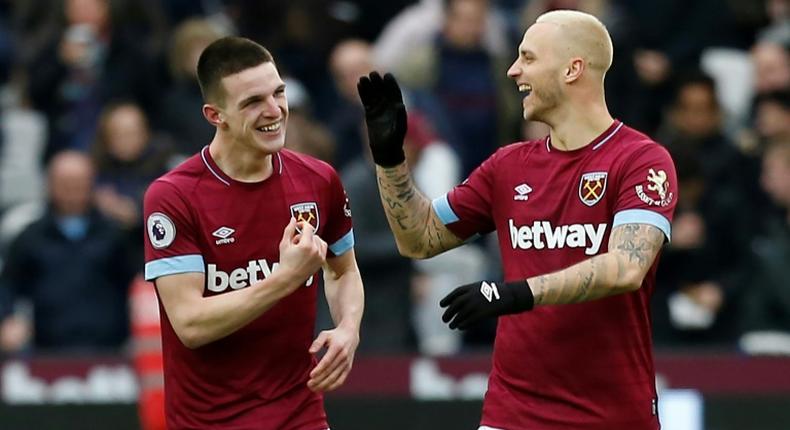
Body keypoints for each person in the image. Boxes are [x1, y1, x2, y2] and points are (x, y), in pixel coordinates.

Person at [358, 10, 678, 430]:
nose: (513, 70)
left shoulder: (641, 160)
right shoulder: (507, 166)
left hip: (612, 415)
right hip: (513, 414)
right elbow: (419, 239)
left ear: (572, 69)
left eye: (527, 57)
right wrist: (390, 160)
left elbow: (625, 267)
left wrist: (511, 295)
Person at [142, 37, 363, 430]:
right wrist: (286, 278)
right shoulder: (174, 196)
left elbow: (342, 270)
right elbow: (191, 324)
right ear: (215, 114)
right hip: (209, 422)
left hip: (301, 414)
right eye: (252, 102)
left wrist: (348, 327)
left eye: (278, 93)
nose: (274, 110)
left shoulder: (317, 179)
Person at [0, 150, 134, 353]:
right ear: (49, 184)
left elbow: (138, 281)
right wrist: (7, 319)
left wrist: (133, 222)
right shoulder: (31, 236)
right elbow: (8, 285)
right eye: (65, 182)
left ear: (91, 183)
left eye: (79, 181)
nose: (72, 189)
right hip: (47, 352)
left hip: (110, 352)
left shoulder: (114, 234)